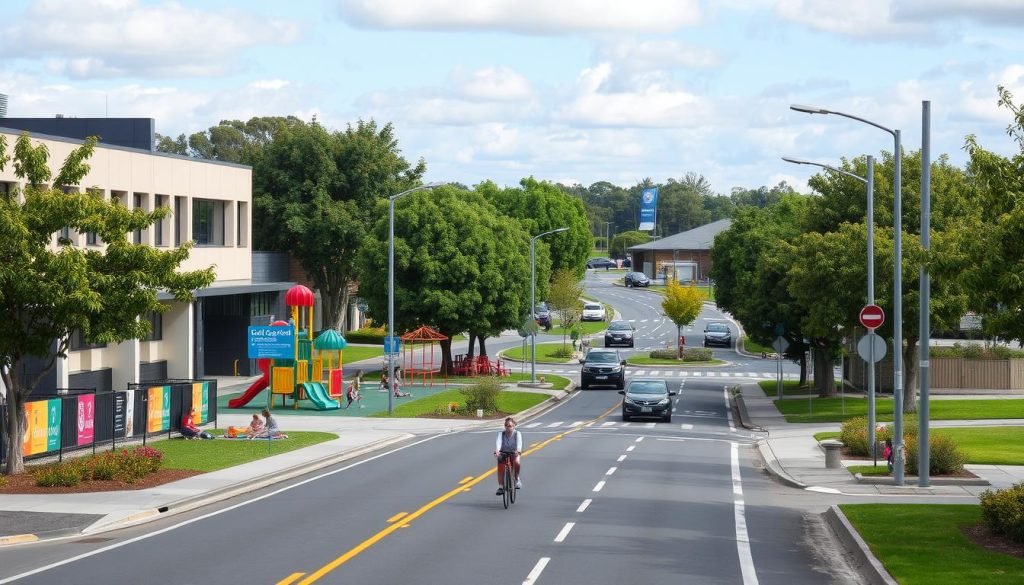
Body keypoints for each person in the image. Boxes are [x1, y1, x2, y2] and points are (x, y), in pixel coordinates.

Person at [493, 416, 522, 495]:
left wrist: (518, 451)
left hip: (514, 452)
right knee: (501, 467)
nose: (508, 428)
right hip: (503, 452)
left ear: (513, 426)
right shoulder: (501, 434)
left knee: (516, 462)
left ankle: (516, 479)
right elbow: (498, 443)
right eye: (506, 425)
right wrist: (497, 451)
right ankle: (501, 487)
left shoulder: (517, 434)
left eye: (510, 426)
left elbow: (519, 444)